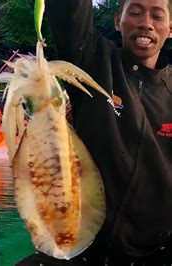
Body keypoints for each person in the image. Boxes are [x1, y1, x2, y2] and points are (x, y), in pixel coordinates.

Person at [18, 0, 172, 264]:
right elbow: (70, 13)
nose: (146, 22)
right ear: (117, 20)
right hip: (81, 250)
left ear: (170, 28)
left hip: (154, 254)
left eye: (157, 15)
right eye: (135, 12)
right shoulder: (93, 59)